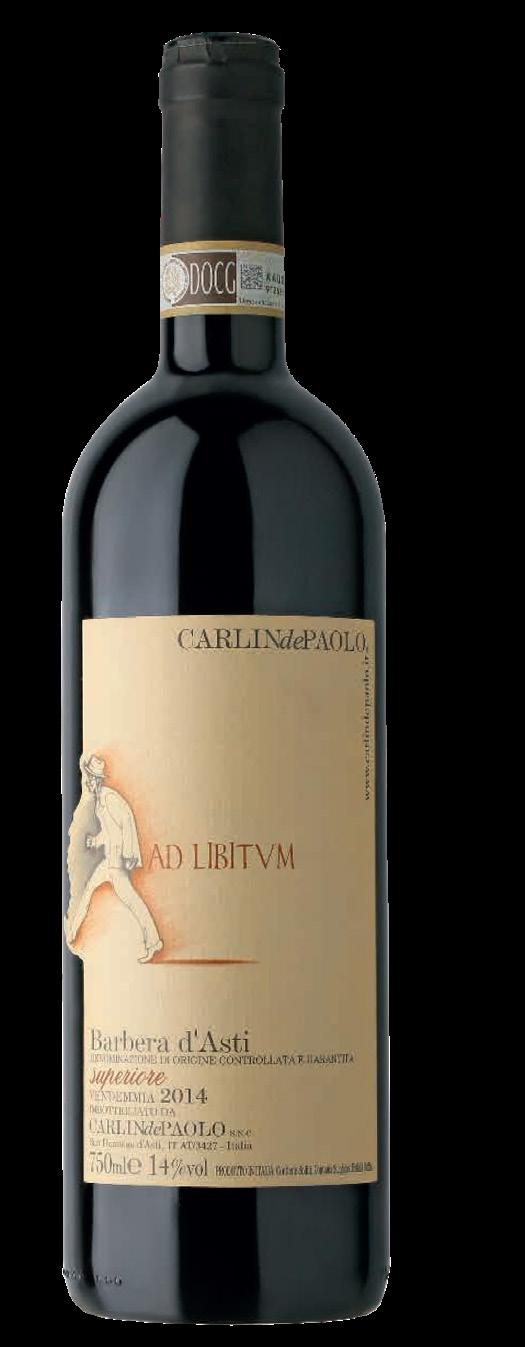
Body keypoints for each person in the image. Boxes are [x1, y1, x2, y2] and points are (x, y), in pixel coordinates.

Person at [65, 754, 162, 963]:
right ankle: (71, 932)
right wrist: (96, 841)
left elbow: (126, 820)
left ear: (97, 779)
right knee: (89, 890)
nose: (87, 782)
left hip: (116, 863)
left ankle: (154, 942)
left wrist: (130, 853)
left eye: (90, 778)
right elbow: (110, 831)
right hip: (108, 862)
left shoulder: (110, 798)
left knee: (133, 902)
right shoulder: (100, 801)